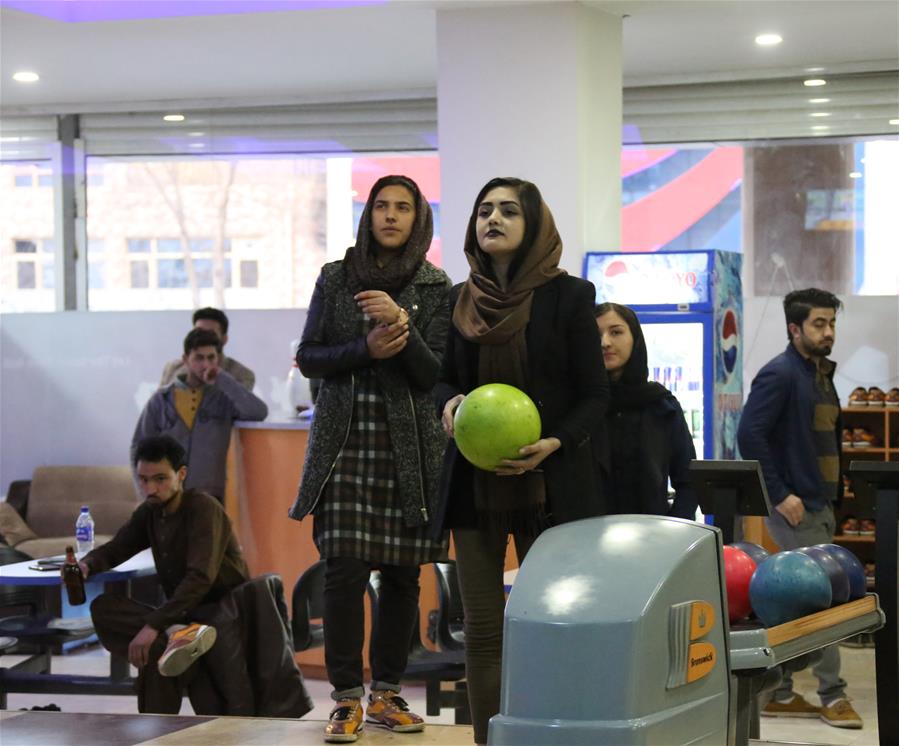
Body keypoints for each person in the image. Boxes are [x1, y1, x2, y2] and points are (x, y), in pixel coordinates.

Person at [433, 177, 609, 745]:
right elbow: (441, 380)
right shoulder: (459, 298)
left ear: (534, 225)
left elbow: (595, 393)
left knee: (548, 627)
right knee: (483, 630)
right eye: (484, 210)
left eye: (509, 210)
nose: (494, 219)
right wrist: (450, 402)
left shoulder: (571, 297)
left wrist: (555, 441)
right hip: (474, 485)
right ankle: (489, 739)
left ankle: (553, 735)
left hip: (551, 485)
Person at [288, 174, 451, 743]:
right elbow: (308, 356)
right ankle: (345, 699)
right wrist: (364, 347)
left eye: (402, 208)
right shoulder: (336, 278)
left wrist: (401, 328)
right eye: (381, 205)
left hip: (411, 451)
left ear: (417, 219)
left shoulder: (436, 286)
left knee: (404, 577)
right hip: (345, 445)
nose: (390, 216)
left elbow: (435, 374)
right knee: (343, 571)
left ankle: (387, 694)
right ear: (368, 214)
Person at [737, 288, 861, 729]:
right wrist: (780, 493)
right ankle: (832, 695)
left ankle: (781, 692)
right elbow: (750, 435)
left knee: (810, 601)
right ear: (794, 329)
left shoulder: (819, 374)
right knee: (825, 601)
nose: (828, 332)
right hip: (796, 507)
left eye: (831, 324)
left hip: (820, 504)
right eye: (818, 324)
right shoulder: (781, 374)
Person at [79, 435, 248, 713]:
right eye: (144, 480)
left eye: (160, 479)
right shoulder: (150, 511)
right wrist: (87, 564)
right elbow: (118, 548)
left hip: (218, 615)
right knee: (104, 608)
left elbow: (200, 578)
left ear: (181, 475)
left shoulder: (202, 508)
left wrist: (153, 624)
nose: (150, 488)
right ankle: (175, 634)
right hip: (181, 617)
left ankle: (172, 634)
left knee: (155, 650)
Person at [133, 327, 268, 501]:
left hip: (209, 497)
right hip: (167, 495)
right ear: (185, 360)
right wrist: (145, 490)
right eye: (199, 358)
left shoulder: (223, 398)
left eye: (211, 358)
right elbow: (138, 447)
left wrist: (223, 379)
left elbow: (258, 412)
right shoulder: (162, 399)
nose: (205, 364)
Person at [594, 302, 698, 519]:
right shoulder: (579, 407)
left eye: (616, 332)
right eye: (596, 334)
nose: (605, 342)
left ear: (635, 338)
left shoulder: (662, 406)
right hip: (586, 539)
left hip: (653, 539)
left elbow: (689, 480)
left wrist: (674, 530)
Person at [160, 307, 255, 391]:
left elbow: (238, 408)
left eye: (211, 334)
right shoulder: (173, 368)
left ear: (224, 339)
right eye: (198, 331)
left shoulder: (242, 375)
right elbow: (157, 407)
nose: (203, 337)